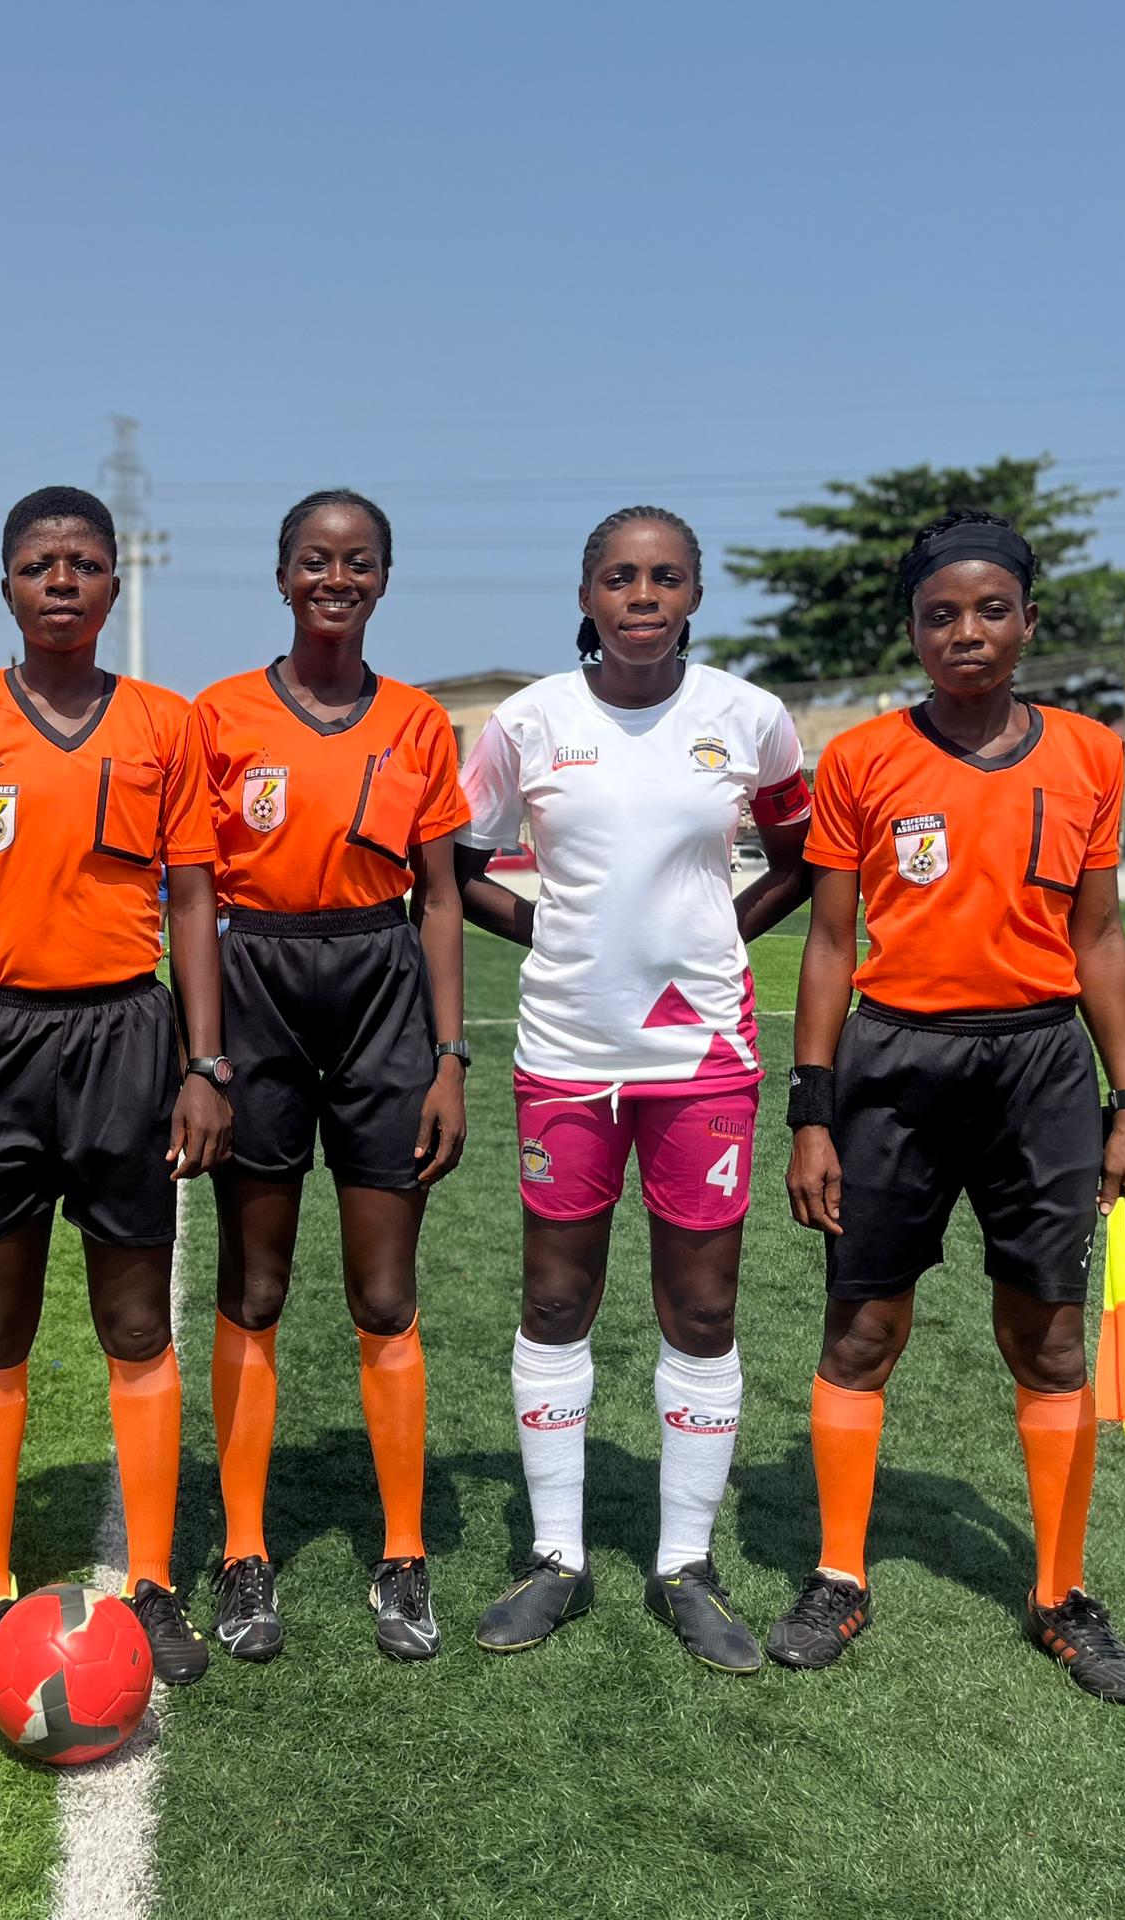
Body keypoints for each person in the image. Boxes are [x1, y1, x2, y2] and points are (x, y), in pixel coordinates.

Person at [772, 508, 1125, 1704]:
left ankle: (1059, 1593)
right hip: (894, 1069)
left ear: (1028, 622)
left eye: (991, 610)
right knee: (862, 1330)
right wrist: (811, 1111)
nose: (967, 632)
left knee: (1045, 1335)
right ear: (914, 632)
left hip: (1041, 1070)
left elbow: (1097, 937)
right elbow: (830, 945)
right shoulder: (863, 759)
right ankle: (839, 1574)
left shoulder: (1090, 754)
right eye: (942, 614)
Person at [454, 506, 814, 1672]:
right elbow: (456, 869)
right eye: (621, 578)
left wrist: (721, 937)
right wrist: (548, 934)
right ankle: (556, 1555)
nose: (643, 596)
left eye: (665, 578)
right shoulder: (527, 722)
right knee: (556, 1303)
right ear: (589, 593)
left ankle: (684, 1565)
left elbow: (800, 861)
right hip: (564, 1051)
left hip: (702, 1056)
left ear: (694, 594)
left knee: (700, 1311)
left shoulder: (749, 719)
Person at [0, 486, 231, 1687]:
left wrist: (204, 1060)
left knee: (135, 1324)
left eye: (85, 562)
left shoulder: (164, 722)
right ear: (7, 585)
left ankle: (155, 1580)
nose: (63, 581)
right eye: (40, 564)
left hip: (128, 1038)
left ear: (114, 586)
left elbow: (194, 900)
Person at [189, 488, 470, 1663]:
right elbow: (193, 895)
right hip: (254, 982)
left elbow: (443, 898)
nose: (335, 579)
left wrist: (451, 1057)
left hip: (379, 991)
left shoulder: (417, 724)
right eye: (315, 560)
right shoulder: (220, 715)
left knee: (382, 1294)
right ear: (282, 575)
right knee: (252, 1286)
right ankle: (245, 1550)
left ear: (383, 579)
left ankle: (402, 1554)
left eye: (357, 562)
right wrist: (204, 1056)